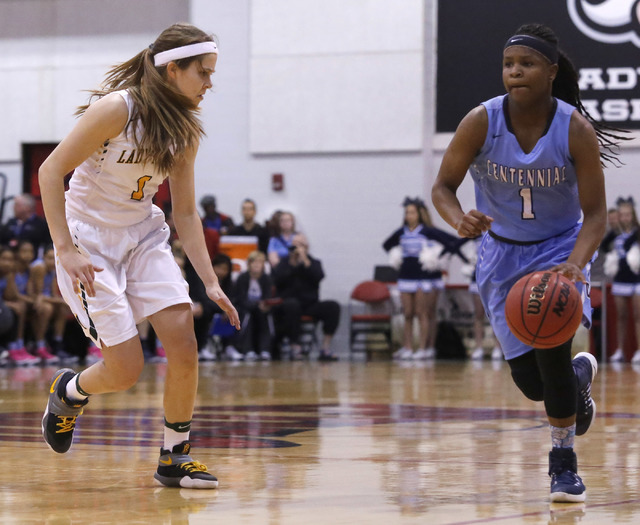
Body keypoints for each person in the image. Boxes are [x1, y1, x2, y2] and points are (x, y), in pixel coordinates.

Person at [38, 23, 240, 489]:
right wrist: (65, 250)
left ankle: (174, 456)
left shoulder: (185, 129)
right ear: (173, 70)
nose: (210, 83)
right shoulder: (117, 109)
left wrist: (210, 283)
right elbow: (51, 172)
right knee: (126, 370)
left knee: (183, 342)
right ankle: (69, 392)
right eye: (203, 73)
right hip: (89, 240)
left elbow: (186, 214)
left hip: (144, 235)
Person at [431, 23, 627, 502]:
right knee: (531, 383)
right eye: (508, 64)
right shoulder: (481, 120)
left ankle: (563, 463)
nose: (514, 71)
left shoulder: (574, 128)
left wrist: (576, 264)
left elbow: (597, 215)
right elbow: (442, 188)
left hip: (559, 250)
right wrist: (459, 219)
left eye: (527, 64)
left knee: (552, 359)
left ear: (551, 72)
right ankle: (581, 378)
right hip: (501, 253)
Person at [383, 197, 459, 361]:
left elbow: (453, 242)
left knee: (422, 313)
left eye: (411, 212)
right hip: (405, 275)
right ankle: (408, 347)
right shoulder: (401, 232)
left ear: (420, 214)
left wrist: (437, 257)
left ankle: (424, 348)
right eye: (406, 213)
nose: (408, 216)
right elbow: (386, 244)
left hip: (424, 277)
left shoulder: (428, 231)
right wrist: (396, 255)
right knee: (408, 314)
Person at [272, 233, 340, 361]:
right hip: (288, 304)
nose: (297, 248)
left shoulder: (313, 262)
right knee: (292, 305)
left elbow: (318, 276)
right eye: (295, 245)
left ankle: (325, 347)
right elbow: (277, 280)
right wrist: (292, 264)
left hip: (309, 304)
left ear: (307, 247)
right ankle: (295, 346)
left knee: (333, 306)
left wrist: (305, 260)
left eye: (301, 245)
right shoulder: (284, 263)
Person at [602, 197, 640, 363]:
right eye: (622, 215)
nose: (625, 218)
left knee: (638, 316)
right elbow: (603, 245)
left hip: (637, 278)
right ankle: (620, 351)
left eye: (628, 215)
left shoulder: (637, 232)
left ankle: (638, 351)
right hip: (620, 279)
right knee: (621, 316)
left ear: (632, 215)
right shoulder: (615, 233)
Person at [234, 250, 275, 361]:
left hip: (261, 309)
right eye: (254, 262)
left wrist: (265, 305)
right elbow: (240, 298)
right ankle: (247, 349)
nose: (257, 265)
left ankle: (265, 349)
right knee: (248, 317)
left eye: (260, 262)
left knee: (265, 317)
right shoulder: (242, 278)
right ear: (249, 264)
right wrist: (256, 306)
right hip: (246, 308)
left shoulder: (266, 278)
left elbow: (268, 296)